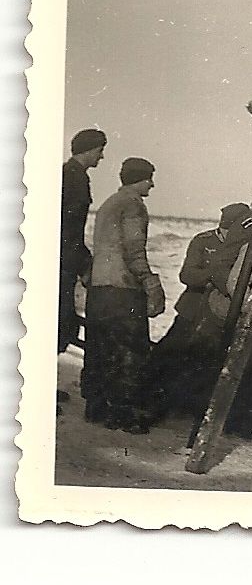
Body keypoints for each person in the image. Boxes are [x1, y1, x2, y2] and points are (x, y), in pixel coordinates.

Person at [145, 202, 252, 420]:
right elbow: (187, 275)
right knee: (169, 355)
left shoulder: (245, 246)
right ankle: (149, 399)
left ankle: (186, 405)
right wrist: (215, 275)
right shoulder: (203, 241)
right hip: (192, 310)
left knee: (203, 361)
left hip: (216, 313)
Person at [82, 157, 165, 433]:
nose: (152, 185)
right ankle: (122, 414)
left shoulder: (109, 203)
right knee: (129, 351)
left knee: (99, 348)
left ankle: (95, 406)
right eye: (149, 178)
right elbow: (133, 249)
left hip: (100, 288)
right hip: (123, 290)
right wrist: (149, 280)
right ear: (139, 178)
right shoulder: (133, 205)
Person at [58, 128, 107, 410]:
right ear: (89, 149)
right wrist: (82, 263)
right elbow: (70, 231)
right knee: (61, 325)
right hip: (63, 261)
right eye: (100, 149)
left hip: (63, 259)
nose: (102, 156)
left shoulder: (69, 174)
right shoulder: (76, 178)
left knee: (61, 323)